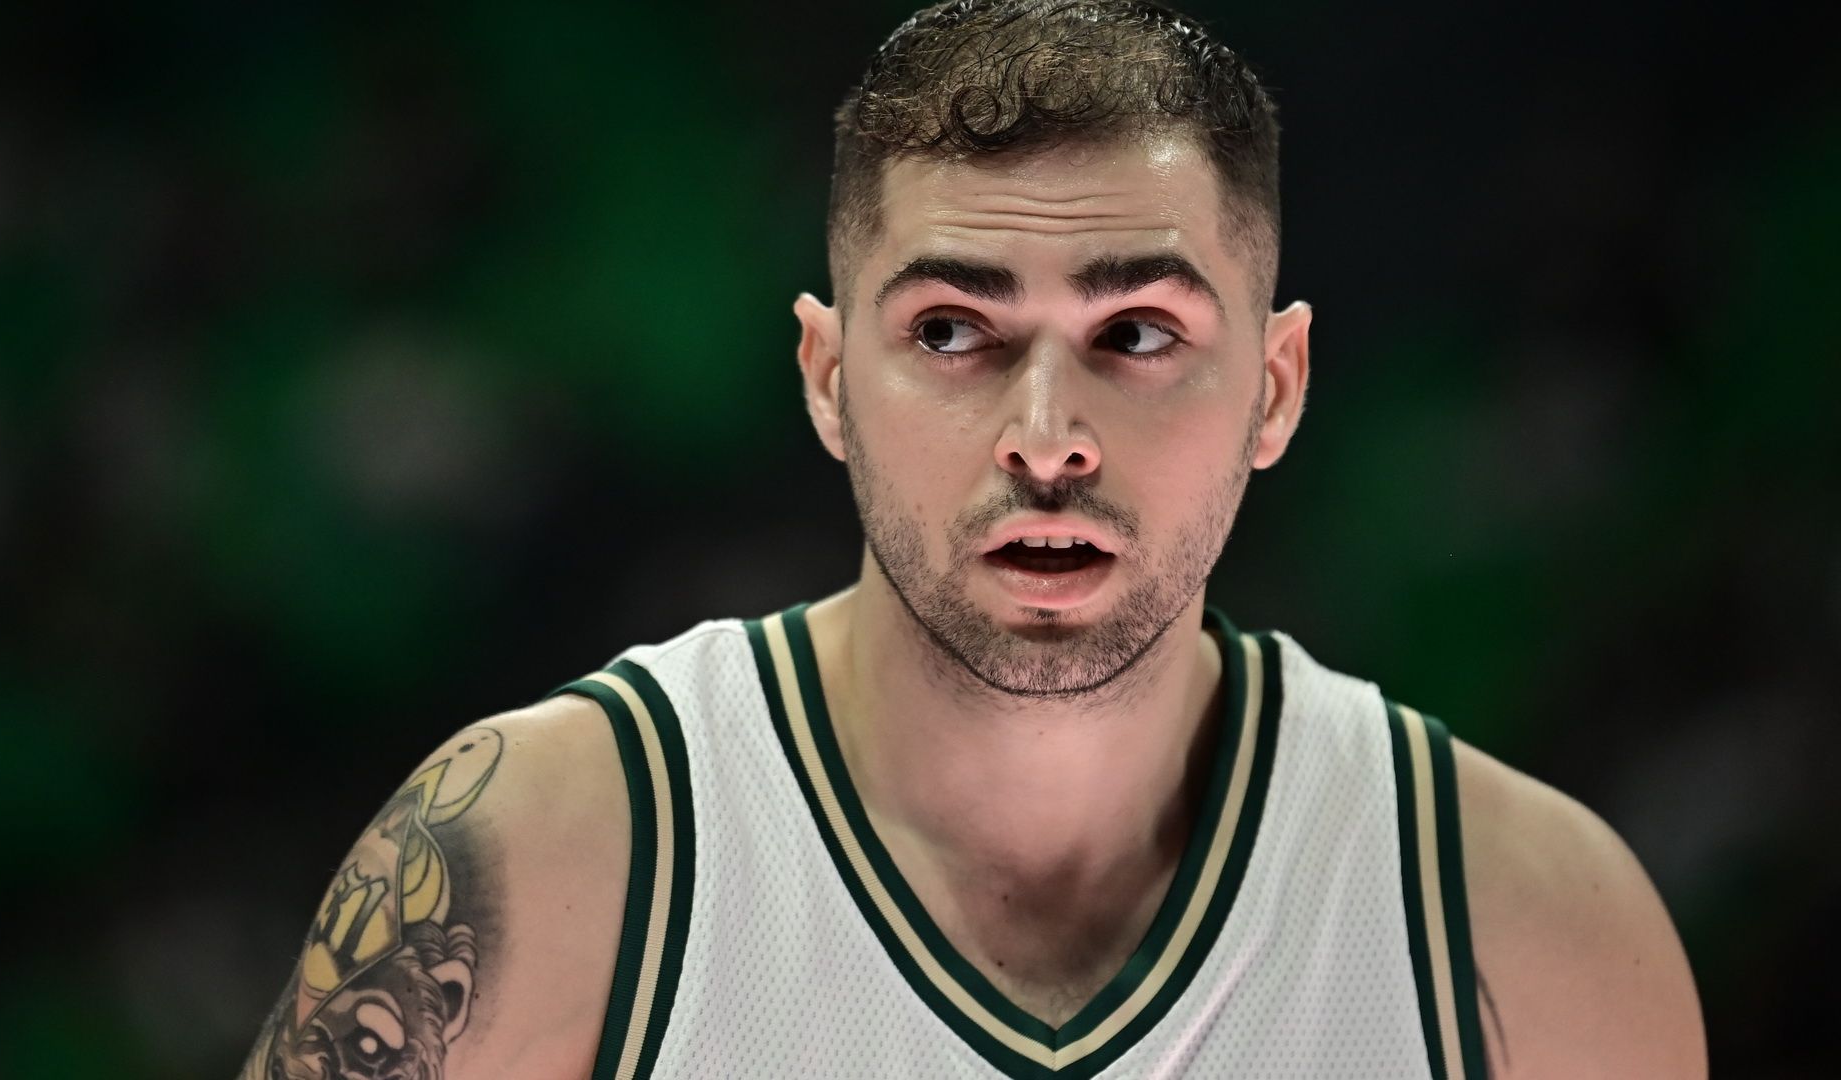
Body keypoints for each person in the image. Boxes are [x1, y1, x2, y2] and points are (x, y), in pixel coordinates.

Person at [239, 1, 1706, 1077]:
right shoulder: (549, 858)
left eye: (1138, 332)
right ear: (828, 380)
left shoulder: (1531, 938)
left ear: (1275, 386)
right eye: (952, 332)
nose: (1048, 436)